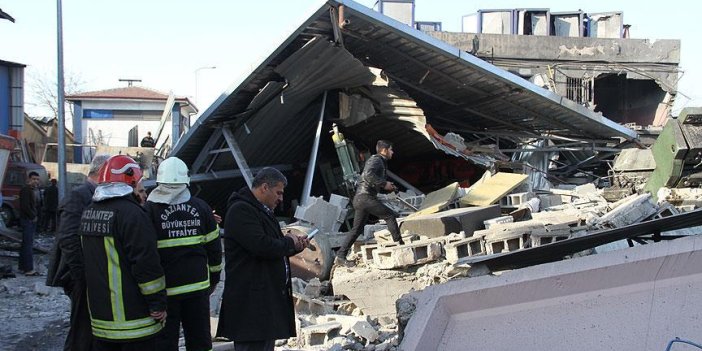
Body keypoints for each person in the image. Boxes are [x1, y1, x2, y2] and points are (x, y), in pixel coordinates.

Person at [79, 155, 167, 350]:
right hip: (134, 322)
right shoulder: (133, 214)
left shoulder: (89, 212)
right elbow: (146, 265)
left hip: (101, 322)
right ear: (132, 181)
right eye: (140, 183)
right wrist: (158, 304)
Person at [216, 167, 309, 351]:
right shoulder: (241, 210)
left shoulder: (262, 211)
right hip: (250, 305)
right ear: (265, 187)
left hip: (263, 303)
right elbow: (262, 246)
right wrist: (288, 242)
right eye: (279, 192)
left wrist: (294, 245)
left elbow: (272, 247)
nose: (281, 198)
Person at [145, 157, 222, 351]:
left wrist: (150, 295)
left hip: (166, 292)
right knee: (199, 341)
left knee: (165, 342)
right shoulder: (202, 208)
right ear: (186, 180)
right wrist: (214, 279)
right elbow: (214, 250)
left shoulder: (149, 210)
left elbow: (144, 254)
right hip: (197, 288)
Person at [46, 154, 111, 351]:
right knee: (81, 329)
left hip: (90, 275)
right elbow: (68, 239)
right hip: (81, 276)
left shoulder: (93, 195)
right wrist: (82, 274)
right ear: (102, 173)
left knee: (91, 327)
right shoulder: (79, 196)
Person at [335, 140, 403, 267]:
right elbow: (368, 175)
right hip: (365, 198)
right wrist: (384, 184)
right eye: (391, 150)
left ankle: (341, 256)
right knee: (390, 216)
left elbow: (371, 178)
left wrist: (388, 186)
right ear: (384, 150)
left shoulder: (379, 161)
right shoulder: (376, 160)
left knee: (356, 229)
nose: (392, 153)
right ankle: (400, 246)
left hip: (361, 199)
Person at [19, 171, 41, 276]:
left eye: (37, 179)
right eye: (33, 179)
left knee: (26, 244)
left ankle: (22, 267)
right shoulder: (26, 190)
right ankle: (28, 269)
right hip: (27, 220)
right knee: (28, 245)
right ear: (29, 179)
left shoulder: (34, 190)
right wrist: (33, 216)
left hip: (30, 220)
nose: (35, 181)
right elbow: (25, 207)